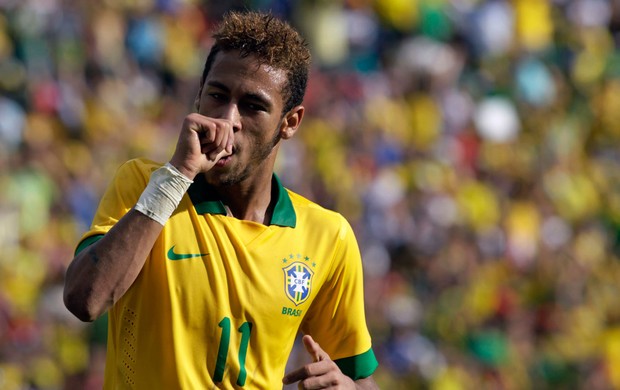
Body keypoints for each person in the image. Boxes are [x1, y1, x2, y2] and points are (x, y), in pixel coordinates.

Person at [63, 10, 379, 389]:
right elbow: (86, 300)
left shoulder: (328, 237)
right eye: (217, 95)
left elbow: (359, 378)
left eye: (253, 106)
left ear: (290, 122)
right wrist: (176, 178)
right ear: (199, 96)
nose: (228, 119)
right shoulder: (145, 185)